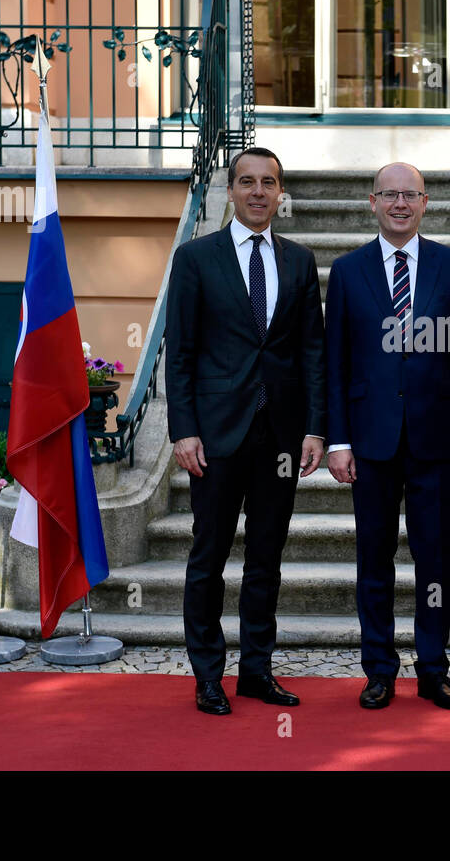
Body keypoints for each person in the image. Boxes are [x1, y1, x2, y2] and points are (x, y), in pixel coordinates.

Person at [325, 162, 450, 711]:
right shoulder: (348, 271)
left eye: (410, 195)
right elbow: (335, 362)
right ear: (371, 202)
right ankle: (378, 669)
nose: (400, 203)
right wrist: (337, 439)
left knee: (434, 560)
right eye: (389, 195)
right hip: (369, 441)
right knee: (374, 560)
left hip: (435, 439)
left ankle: (433, 669)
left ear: (425, 202)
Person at [165, 146, 326, 716]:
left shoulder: (301, 262)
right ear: (231, 191)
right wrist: (183, 430)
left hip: (280, 437)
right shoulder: (195, 258)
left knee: (266, 557)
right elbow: (178, 353)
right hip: (214, 435)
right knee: (208, 556)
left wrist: (314, 429)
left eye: (269, 183)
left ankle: (256, 670)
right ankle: (208, 674)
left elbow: (313, 353)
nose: (258, 192)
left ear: (280, 194)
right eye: (247, 182)